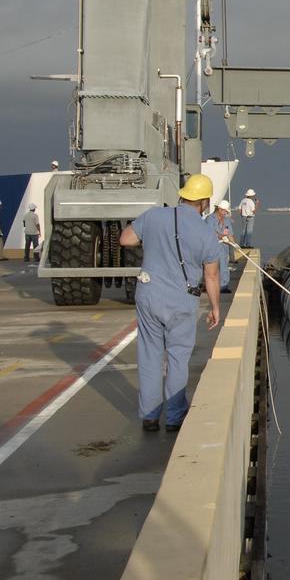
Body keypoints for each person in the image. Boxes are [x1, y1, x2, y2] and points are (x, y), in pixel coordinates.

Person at [119, 174, 224, 432]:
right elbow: (211, 276)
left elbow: (125, 240)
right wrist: (215, 308)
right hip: (182, 300)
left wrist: (151, 241)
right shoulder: (206, 234)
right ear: (204, 202)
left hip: (149, 294)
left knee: (150, 355)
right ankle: (175, 417)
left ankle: (150, 415)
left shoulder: (154, 216)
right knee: (178, 358)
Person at [211, 200, 233, 293]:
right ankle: (213, 287)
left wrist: (233, 243)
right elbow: (210, 231)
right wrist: (222, 237)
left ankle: (224, 286)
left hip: (224, 248)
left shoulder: (226, 220)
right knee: (213, 269)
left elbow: (228, 233)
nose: (226, 213)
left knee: (224, 266)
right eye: (225, 211)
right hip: (213, 247)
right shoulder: (210, 219)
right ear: (219, 209)